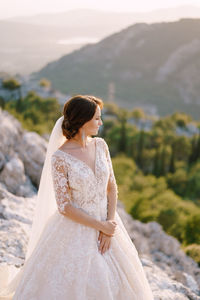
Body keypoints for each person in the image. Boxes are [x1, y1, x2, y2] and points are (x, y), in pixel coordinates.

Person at [0, 95, 154, 299]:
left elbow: (112, 187)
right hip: (76, 226)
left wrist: (109, 225)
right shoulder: (60, 158)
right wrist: (99, 226)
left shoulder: (101, 145)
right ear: (82, 121)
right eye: (97, 118)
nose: (101, 122)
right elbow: (64, 207)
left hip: (108, 225)